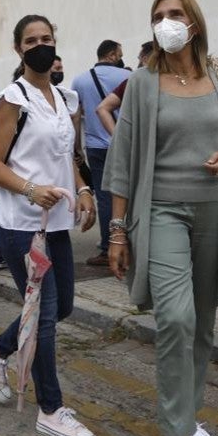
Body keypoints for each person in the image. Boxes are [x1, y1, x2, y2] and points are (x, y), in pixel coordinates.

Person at [106, 0, 218, 436]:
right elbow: (123, 160)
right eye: (157, 17)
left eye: (174, 14)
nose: (165, 23)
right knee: (176, 319)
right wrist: (118, 230)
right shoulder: (143, 83)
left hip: (215, 210)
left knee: (204, 323)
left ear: (194, 21)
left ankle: (188, 419)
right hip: (162, 211)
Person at [0, 13, 98, 436]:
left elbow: (71, 156)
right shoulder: (13, 98)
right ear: (19, 49)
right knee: (45, 317)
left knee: (61, 306)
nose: (40, 45)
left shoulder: (67, 99)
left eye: (47, 38)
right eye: (31, 40)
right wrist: (30, 189)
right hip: (20, 225)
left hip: (58, 223)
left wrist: (83, 190)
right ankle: (51, 409)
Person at [73, 40, 132, 266]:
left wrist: (77, 147)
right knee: (130, 193)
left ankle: (108, 245)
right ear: (111, 55)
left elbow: (76, 115)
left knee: (105, 196)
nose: (121, 58)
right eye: (120, 53)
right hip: (125, 144)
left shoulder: (79, 80)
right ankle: (131, 242)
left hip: (96, 146)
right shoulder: (128, 77)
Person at [95, 41, 153, 134]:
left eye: (139, 59)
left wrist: (118, 140)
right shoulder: (131, 78)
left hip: (96, 141)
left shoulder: (79, 80)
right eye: (120, 56)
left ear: (145, 60)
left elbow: (101, 108)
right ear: (111, 55)